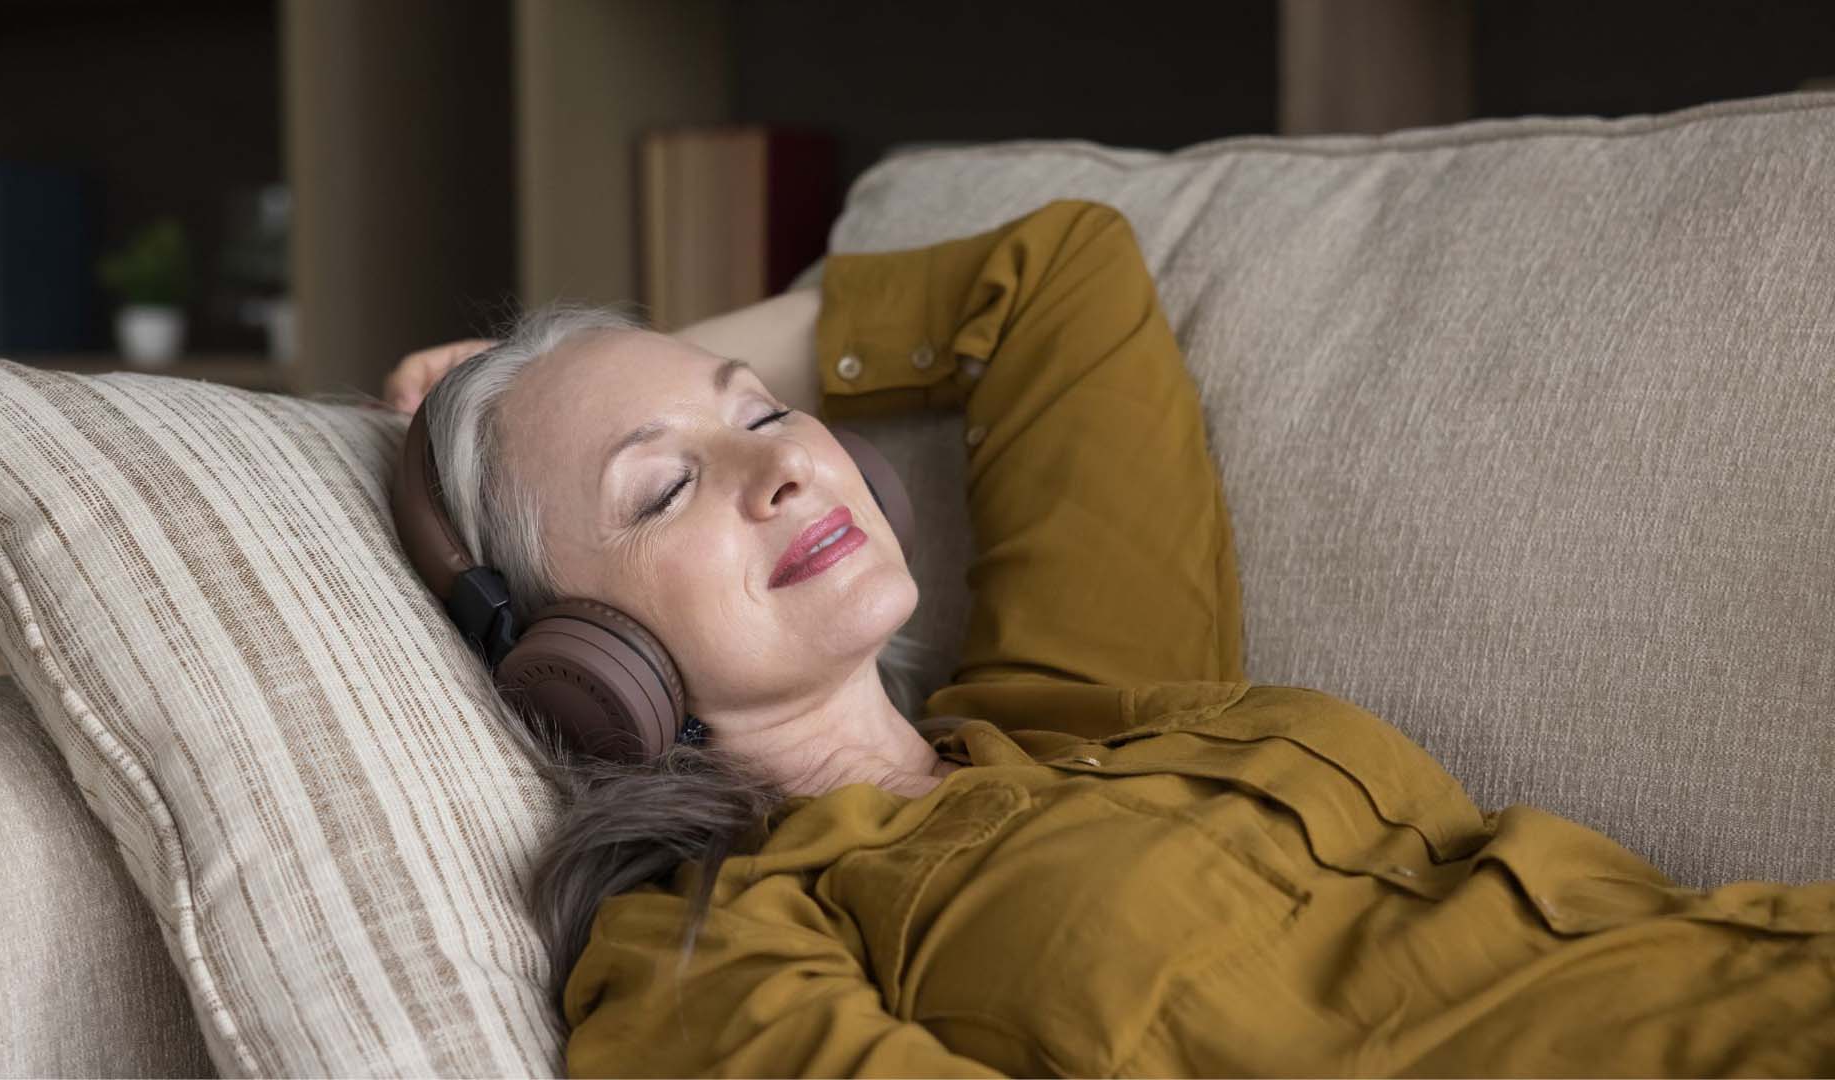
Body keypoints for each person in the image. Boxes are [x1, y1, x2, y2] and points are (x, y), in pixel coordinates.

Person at [388, 200, 1835, 1077]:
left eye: (762, 415)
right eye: (663, 484)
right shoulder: (718, 949)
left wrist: (574, 371)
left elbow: (1051, 275)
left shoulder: (1083, 702)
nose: (786, 467)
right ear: (581, 656)